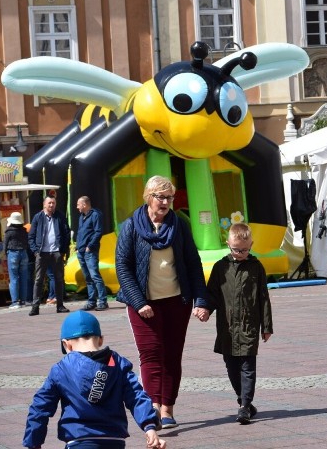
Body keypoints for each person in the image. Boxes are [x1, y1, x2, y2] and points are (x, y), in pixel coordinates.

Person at [114, 175, 211, 429]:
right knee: (150, 355)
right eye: (161, 197)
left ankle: (167, 407)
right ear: (149, 197)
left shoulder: (179, 225)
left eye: (169, 197)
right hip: (143, 305)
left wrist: (201, 300)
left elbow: (193, 264)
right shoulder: (131, 226)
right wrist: (138, 301)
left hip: (176, 302)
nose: (166, 202)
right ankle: (153, 407)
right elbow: (122, 267)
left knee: (171, 356)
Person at [23, 310, 166, 449]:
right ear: (101, 339)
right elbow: (136, 396)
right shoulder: (118, 364)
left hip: (78, 439)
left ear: (67, 344)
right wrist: (149, 426)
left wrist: (33, 442)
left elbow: (40, 407)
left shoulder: (61, 369)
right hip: (114, 440)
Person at [206, 223, 273, 425]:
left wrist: (267, 326)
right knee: (231, 367)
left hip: (248, 327)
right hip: (227, 328)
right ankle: (244, 401)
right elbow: (212, 294)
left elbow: (263, 297)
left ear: (251, 244)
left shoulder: (256, 267)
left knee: (247, 367)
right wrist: (205, 309)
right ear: (228, 244)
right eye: (236, 249)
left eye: (244, 250)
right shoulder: (220, 267)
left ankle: (244, 406)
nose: (240, 253)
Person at [28, 196, 71, 316]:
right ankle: (35, 307)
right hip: (42, 253)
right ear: (44, 204)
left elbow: (66, 232)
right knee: (38, 280)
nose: (51, 205)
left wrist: (63, 249)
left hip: (56, 252)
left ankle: (60, 305)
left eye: (53, 203)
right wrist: (35, 251)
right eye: (49, 203)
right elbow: (31, 235)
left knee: (58, 279)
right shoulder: (38, 217)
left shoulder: (60, 216)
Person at [76, 196, 109, 311]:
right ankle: (91, 301)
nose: (77, 207)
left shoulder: (95, 215)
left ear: (84, 204)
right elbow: (81, 232)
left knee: (95, 276)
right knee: (88, 278)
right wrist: (77, 247)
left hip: (90, 251)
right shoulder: (82, 217)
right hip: (80, 251)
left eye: (78, 204)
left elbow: (98, 231)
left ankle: (103, 301)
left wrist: (90, 246)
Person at [4, 211, 30, 309]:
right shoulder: (24, 230)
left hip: (13, 253)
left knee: (14, 278)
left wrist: (5, 253)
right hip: (23, 253)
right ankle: (23, 300)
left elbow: (5, 244)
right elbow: (27, 243)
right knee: (23, 277)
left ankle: (15, 302)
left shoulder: (9, 231)